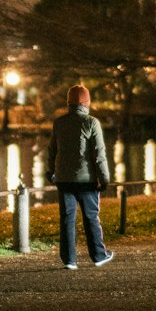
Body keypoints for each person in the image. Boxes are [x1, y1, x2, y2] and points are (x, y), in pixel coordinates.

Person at [46, 83, 114, 270]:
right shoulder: (92, 123)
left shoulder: (59, 123)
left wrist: (50, 170)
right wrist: (105, 179)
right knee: (91, 217)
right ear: (87, 102)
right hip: (86, 180)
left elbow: (52, 150)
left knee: (67, 219)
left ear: (69, 102)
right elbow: (99, 154)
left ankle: (69, 259)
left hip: (64, 179)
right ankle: (98, 255)